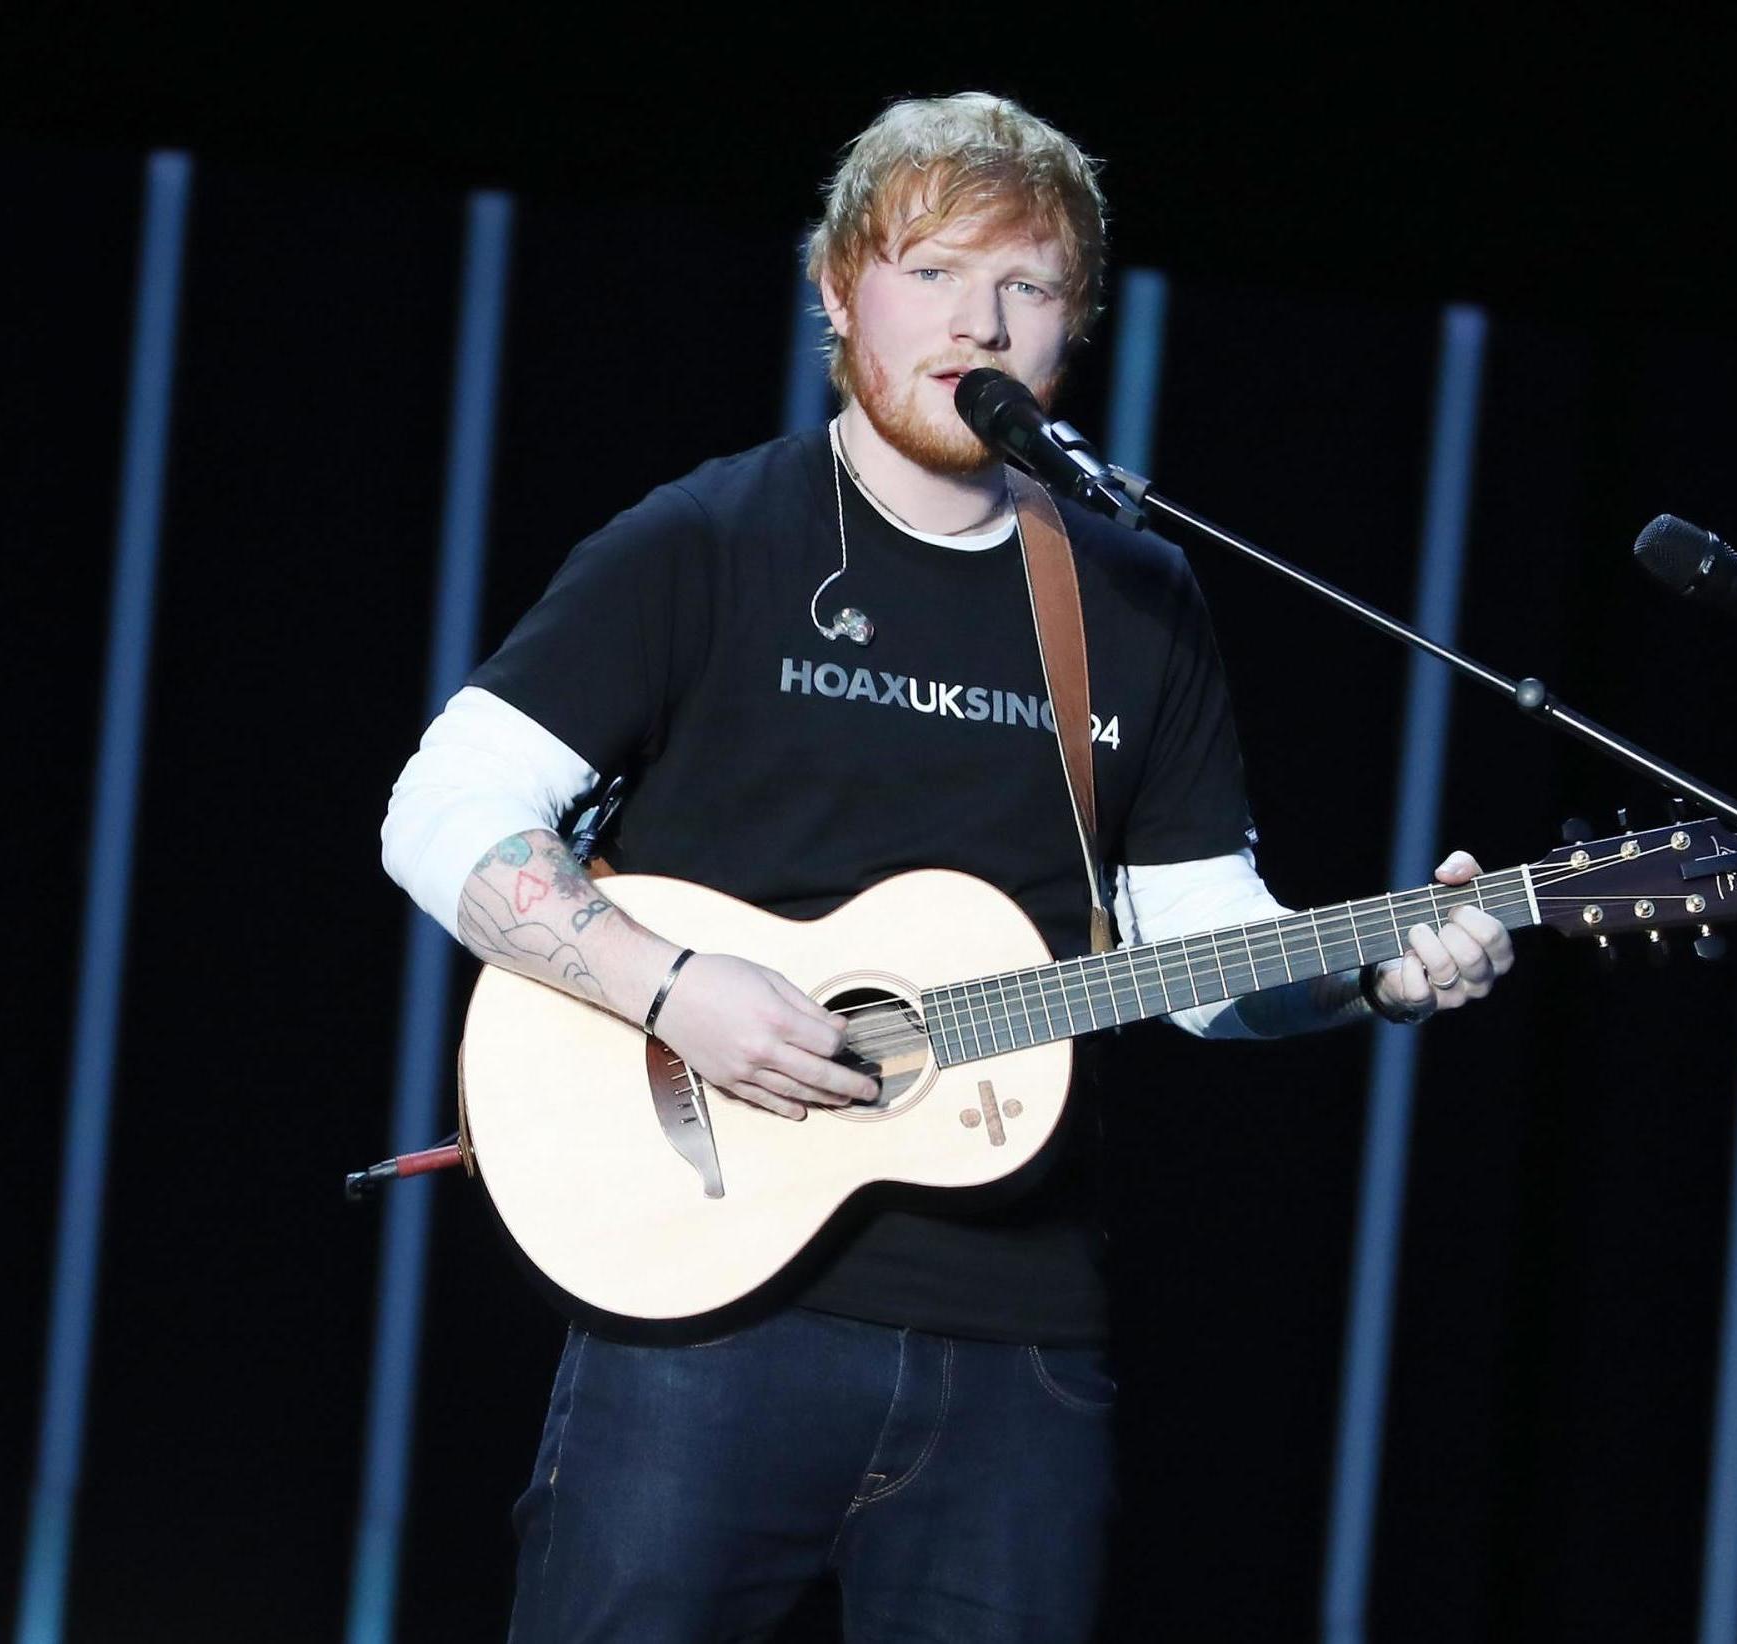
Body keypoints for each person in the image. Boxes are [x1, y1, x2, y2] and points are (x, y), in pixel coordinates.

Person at [382, 91, 1514, 1644]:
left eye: (1028, 288)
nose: (979, 323)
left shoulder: (1130, 592)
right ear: (839, 289)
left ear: (1074, 330)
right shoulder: (711, 540)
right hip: (704, 1324)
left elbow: (1201, 955)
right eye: (933, 272)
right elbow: (444, 810)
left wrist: (1374, 974)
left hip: (1018, 1352)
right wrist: (673, 986)